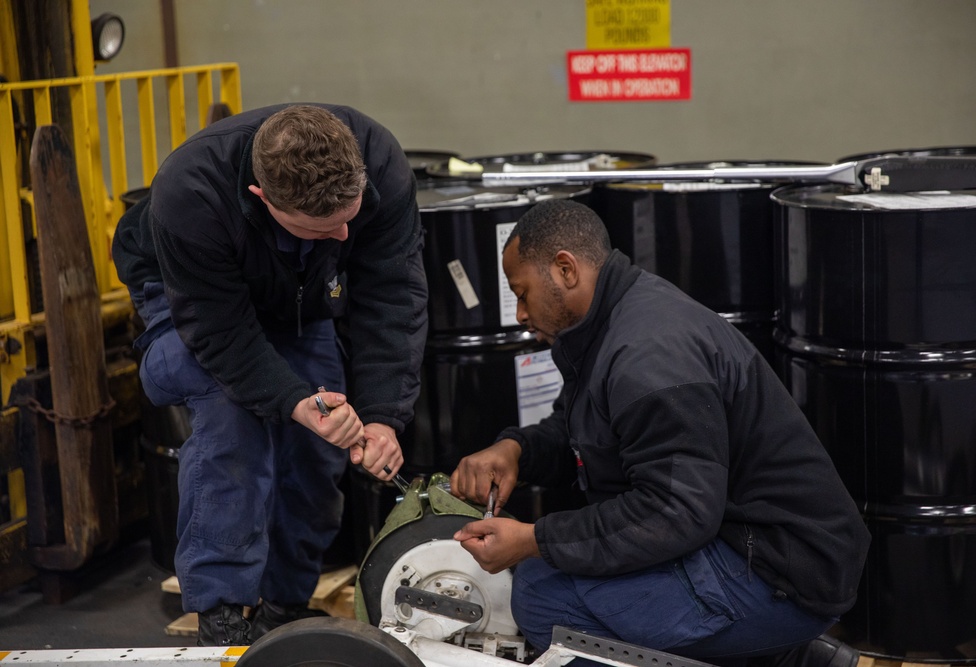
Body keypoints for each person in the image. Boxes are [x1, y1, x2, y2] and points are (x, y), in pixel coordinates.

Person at [450, 199, 870, 664]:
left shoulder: (646, 355)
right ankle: (788, 658)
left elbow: (675, 512)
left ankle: (778, 648)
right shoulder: (610, 323)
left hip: (778, 571)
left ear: (565, 269)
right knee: (541, 576)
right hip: (739, 540)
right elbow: (585, 435)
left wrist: (534, 540)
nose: (520, 315)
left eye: (522, 293)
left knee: (545, 603)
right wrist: (516, 450)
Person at [112, 104, 428, 646]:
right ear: (263, 198)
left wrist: (381, 417)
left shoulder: (379, 159)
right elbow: (222, 337)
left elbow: (393, 297)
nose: (346, 232)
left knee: (321, 438)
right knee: (231, 415)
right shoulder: (190, 194)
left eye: (350, 216)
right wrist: (289, 398)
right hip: (190, 294)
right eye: (326, 228)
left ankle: (284, 606)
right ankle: (224, 613)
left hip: (299, 289)